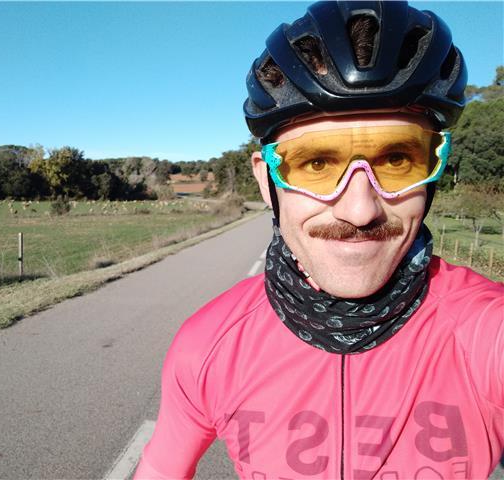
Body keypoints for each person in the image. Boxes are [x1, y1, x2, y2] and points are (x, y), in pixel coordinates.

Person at [134, 1, 503, 478]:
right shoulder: (207, 347)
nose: (360, 209)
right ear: (267, 182)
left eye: (396, 160)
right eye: (315, 164)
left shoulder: (485, 333)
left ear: (432, 178)